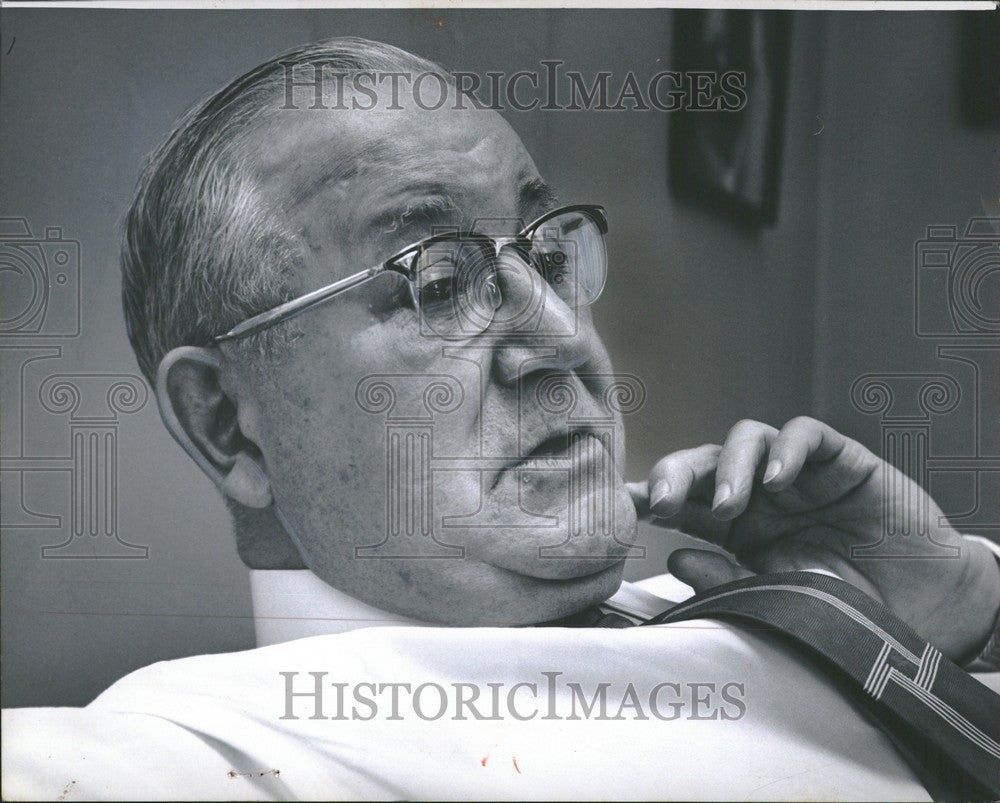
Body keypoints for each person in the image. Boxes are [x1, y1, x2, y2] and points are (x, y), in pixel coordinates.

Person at [3, 37, 998, 801]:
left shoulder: (807, 612)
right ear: (227, 422)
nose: (562, 335)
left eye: (548, 252)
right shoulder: (203, 754)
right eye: (438, 279)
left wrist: (959, 606)